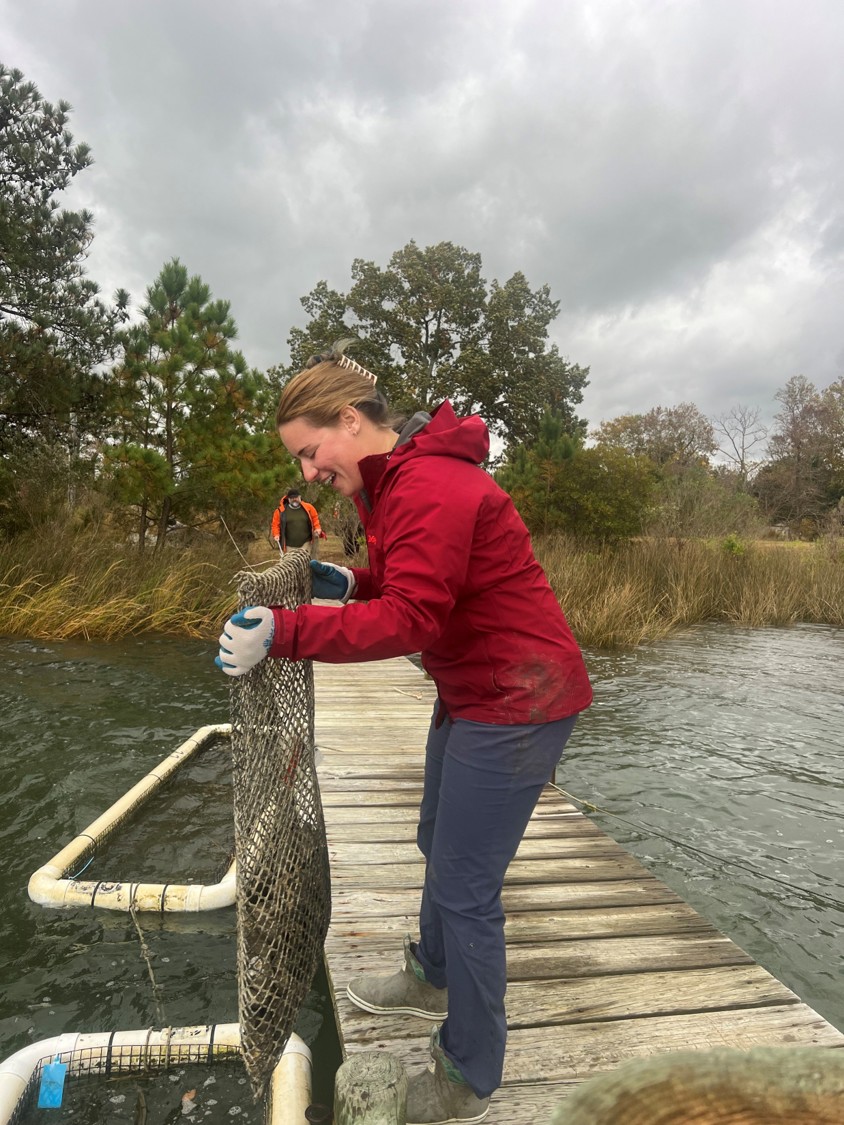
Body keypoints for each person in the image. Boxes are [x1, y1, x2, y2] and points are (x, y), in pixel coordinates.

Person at [216, 344, 592, 1125]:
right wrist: (350, 582)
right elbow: (416, 585)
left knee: (466, 886)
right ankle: (432, 974)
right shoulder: (399, 482)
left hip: (518, 700)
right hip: (476, 688)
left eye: (311, 452)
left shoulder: (430, 484)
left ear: (350, 419)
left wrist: (286, 631)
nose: (311, 472)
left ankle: (469, 1074)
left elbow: (415, 619)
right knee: (434, 836)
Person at [271, 488, 326, 556]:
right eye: (292, 498)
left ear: (300, 497)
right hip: (289, 546)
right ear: (288, 499)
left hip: (306, 543)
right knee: (291, 565)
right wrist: (276, 534)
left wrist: (317, 528)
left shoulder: (309, 508)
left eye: (296, 497)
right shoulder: (280, 511)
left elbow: (315, 519)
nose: (294, 499)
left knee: (304, 564)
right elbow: (275, 525)